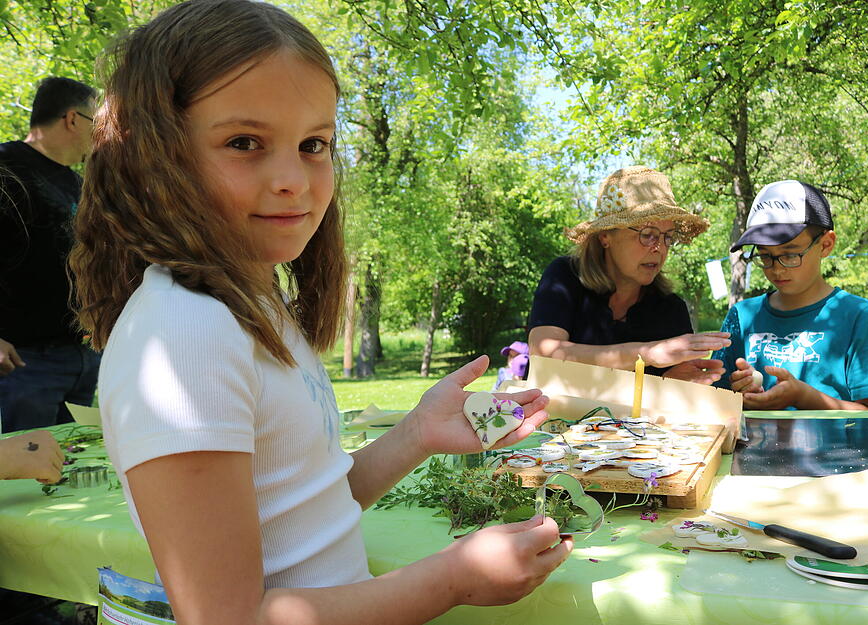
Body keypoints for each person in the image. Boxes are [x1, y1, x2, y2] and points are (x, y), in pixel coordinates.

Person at [68, 1, 571, 623]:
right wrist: (455, 578)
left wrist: (416, 434)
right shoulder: (183, 334)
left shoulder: (250, 304)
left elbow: (304, 512)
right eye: (244, 142)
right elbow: (228, 618)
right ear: (154, 156)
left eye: (314, 144)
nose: (293, 179)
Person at [528, 166, 731, 384]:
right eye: (648, 235)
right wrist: (647, 353)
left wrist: (672, 381)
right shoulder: (564, 278)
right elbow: (544, 354)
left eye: (668, 237)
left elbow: (663, 398)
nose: (660, 248)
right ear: (606, 236)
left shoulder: (671, 309)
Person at [712, 180, 868, 410]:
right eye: (765, 255)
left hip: (836, 447)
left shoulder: (859, 317)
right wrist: (742, 391)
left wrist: (804, 397)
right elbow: (715, 401)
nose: (777, 268)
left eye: (790, 255)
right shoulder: (741, 317)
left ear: (826, 245)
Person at [0, 76, 99, 433]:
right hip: (25, 364)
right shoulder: (6, 167)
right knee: (26, 481)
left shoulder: (75, 183)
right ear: (72, 119)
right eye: (96, 122)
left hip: (82, 355)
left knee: (74, 473)